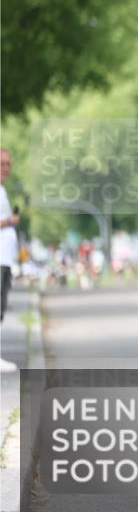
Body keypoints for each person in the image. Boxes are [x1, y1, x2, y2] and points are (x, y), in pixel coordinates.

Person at [1, 148, 20, 372]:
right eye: (2, 163)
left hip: (4, 257)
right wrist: (10, 221)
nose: (6, 168)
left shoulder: (2, 190)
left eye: (8, 163)